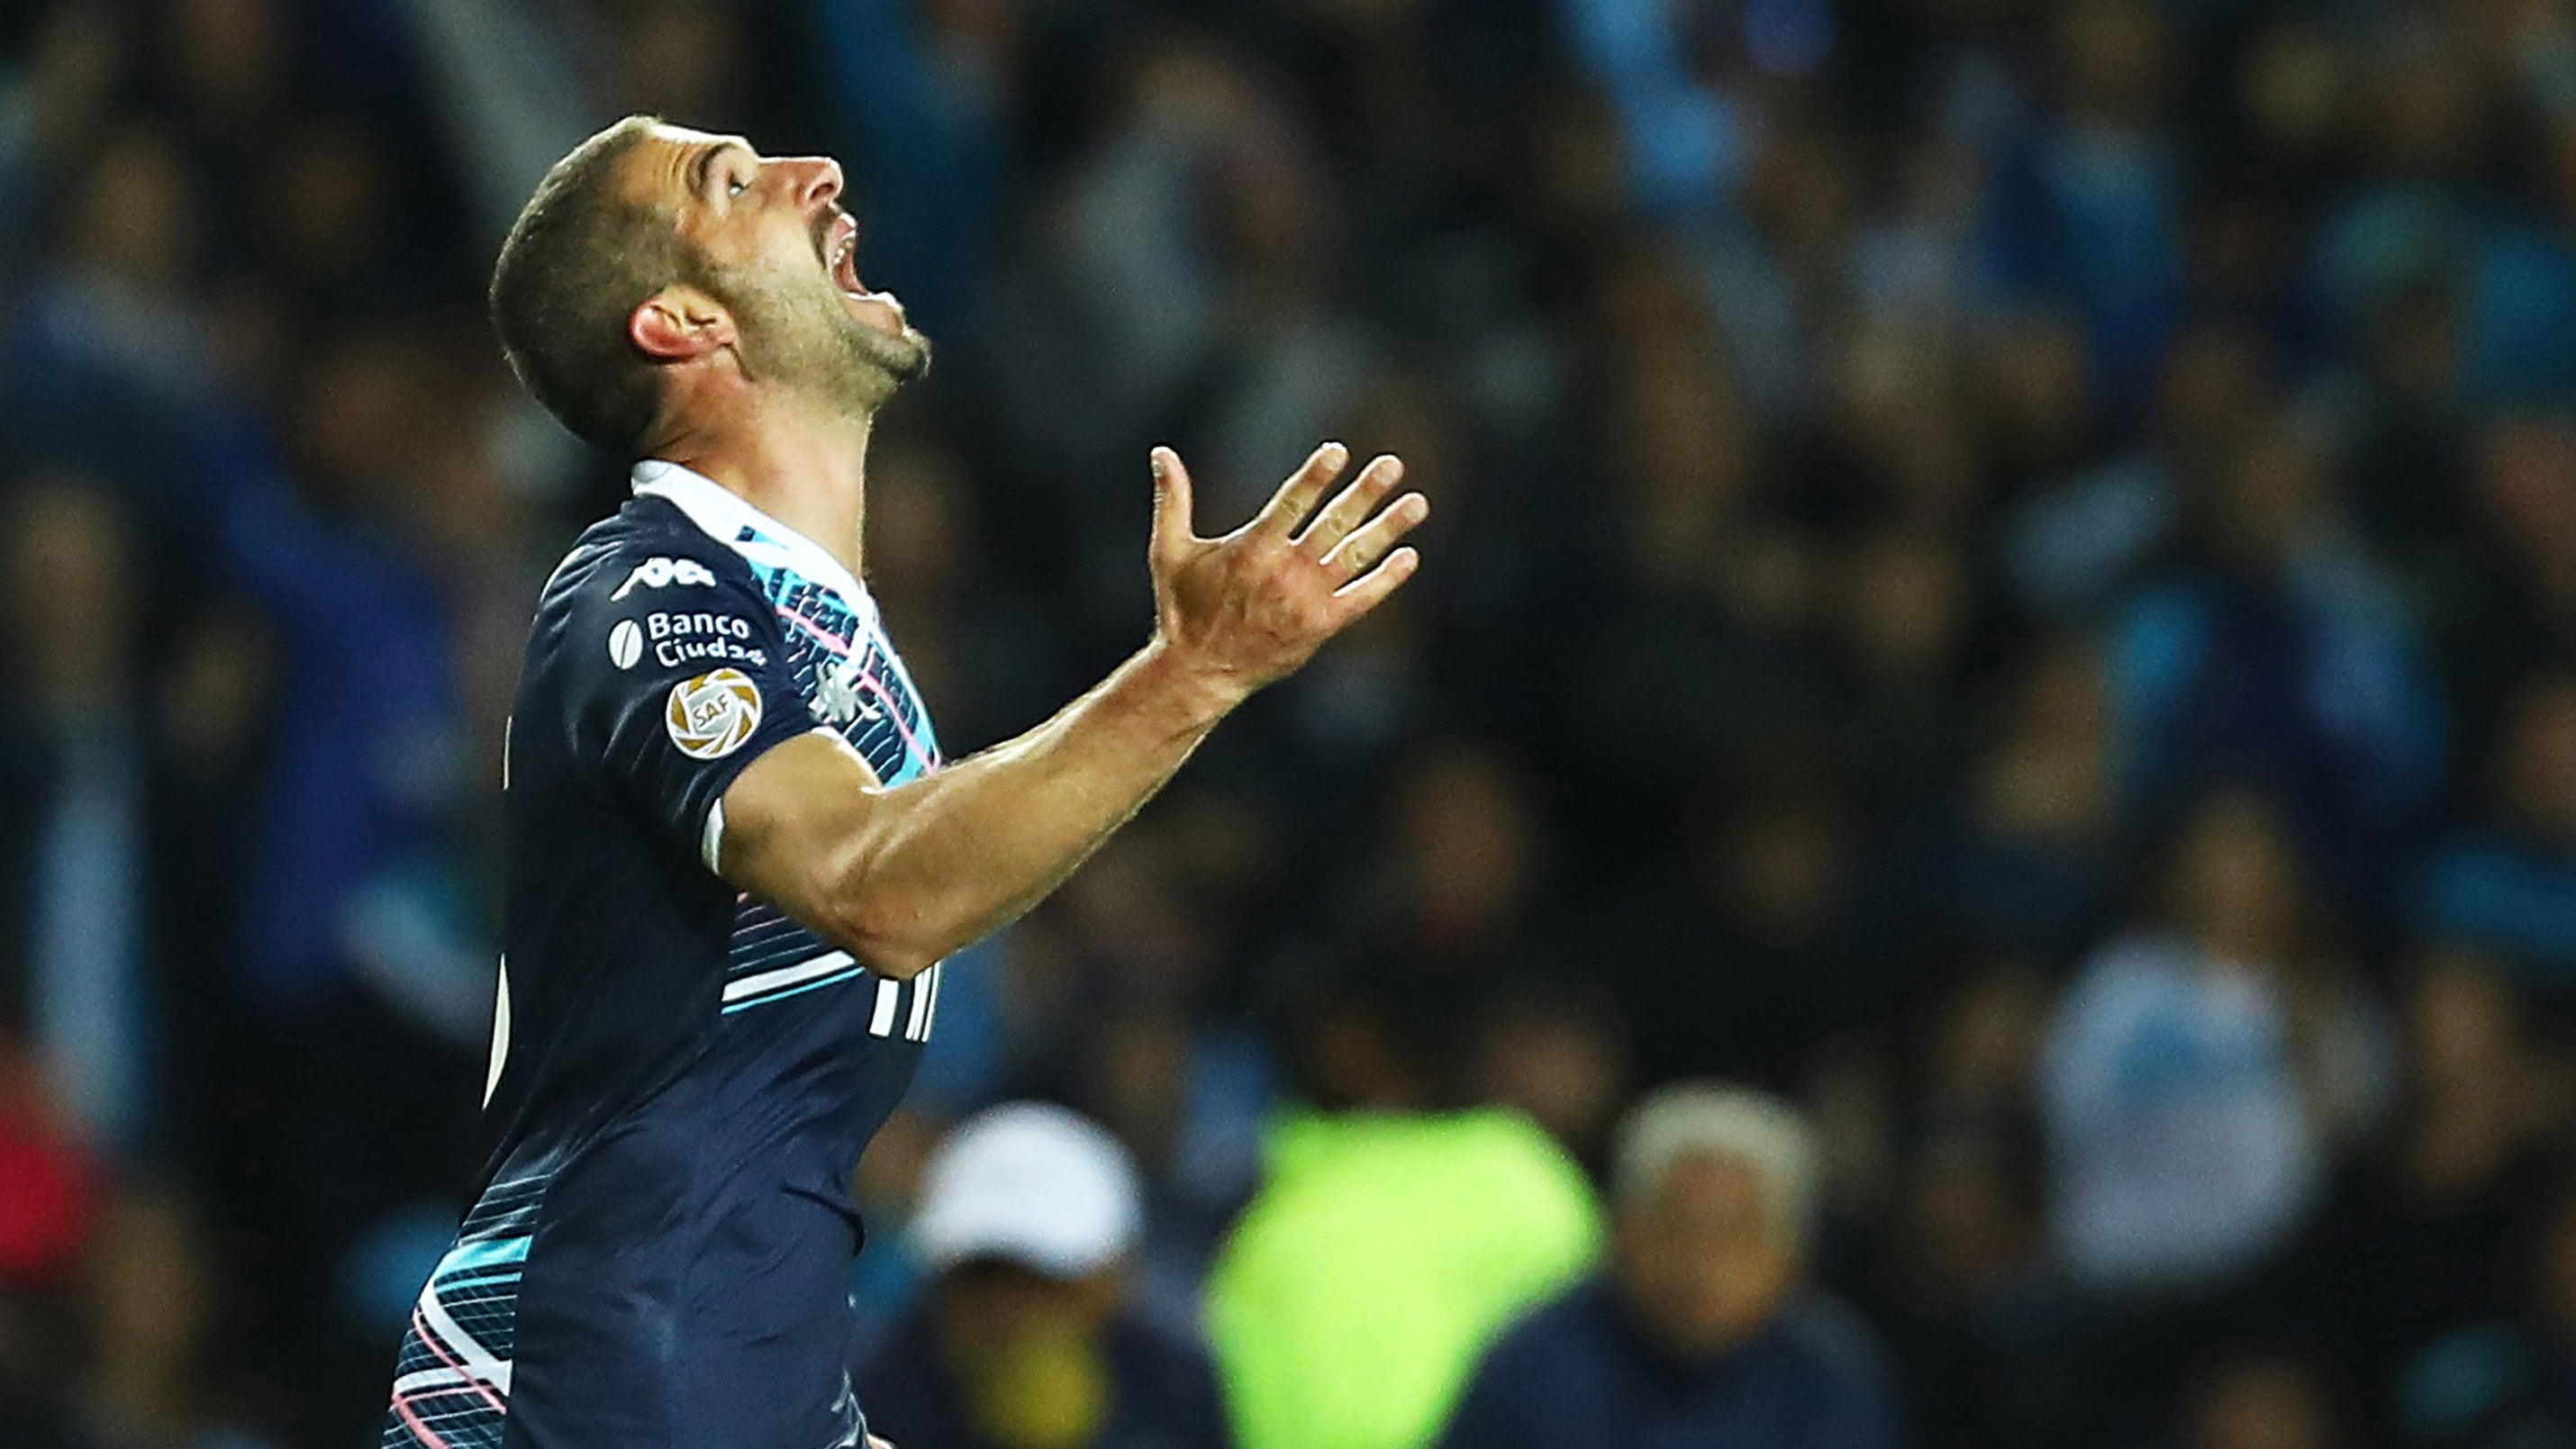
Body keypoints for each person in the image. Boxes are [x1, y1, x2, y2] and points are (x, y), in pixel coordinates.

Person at [379, 114, 1429, 1449]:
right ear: (680, 324)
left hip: (734, 1377)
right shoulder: (648, 589)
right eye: (732, 184)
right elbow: (875, 887)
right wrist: (1192, 675)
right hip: (584, 1384)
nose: (815, 171)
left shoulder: (821, 634)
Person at [1435, 1084, 1900, 1449]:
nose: (1702, 1264)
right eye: (1675, 1228)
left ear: (1789, 1258)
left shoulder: (1830, 1377)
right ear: (1622, 1233)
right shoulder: (1532, 1364)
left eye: (1735, 1236)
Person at [853, 1102, 1229, 1449]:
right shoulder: (869, 1400)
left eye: (1044, 1280)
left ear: (1111, 1280)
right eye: (980, 1276)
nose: (1007, 1310)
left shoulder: (1181, 1393)